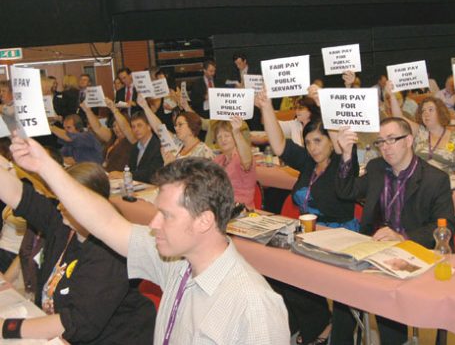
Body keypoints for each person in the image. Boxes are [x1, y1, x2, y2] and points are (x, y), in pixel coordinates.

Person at [9, 139, 290, 344]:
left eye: (166, 216)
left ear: (204, 221)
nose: (154, 224)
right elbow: (106, 222)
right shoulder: (175, 262)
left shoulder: (253, 305)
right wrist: (44, 167)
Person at [0, 158, 155, 343]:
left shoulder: (108, 253)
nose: (59, 206)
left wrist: (7, 327)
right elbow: (19, 195)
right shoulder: (63, 224)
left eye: (65, 201)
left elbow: (76, 323)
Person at [335, 118, 455, 343]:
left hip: (413, 253)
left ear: (409, 140)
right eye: (380, 142)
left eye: (392, 140)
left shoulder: (434, 179)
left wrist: (403, 237)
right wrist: (347, 154)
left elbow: (445, 225)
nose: (385, 147)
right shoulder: (376, 168)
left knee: (387, 299)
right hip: (375, 251)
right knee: (341, 288)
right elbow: (346, 191)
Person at [257, 90, 358, 345]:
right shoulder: (308, 163)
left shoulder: (343, 163)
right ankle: (317, 322)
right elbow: (279, 145)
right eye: (309, 142)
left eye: (318, 141)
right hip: (309, 237)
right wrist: (266, 107)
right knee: (275, 272)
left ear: (331, 142)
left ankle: (323, 325)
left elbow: (340, 144)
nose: (312, 148)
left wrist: (325, 106)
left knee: (295, 274)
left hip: (339, 238)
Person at [387, 82, 455, 174]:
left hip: (446, 183)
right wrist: (391, 95)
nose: (426, 113)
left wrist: (448, 183)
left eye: (430, 110)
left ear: (440, 112)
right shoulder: (419, 131)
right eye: (423, 111)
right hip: (418, 183)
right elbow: (399, 119)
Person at [136, 94, 213, 163]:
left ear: (191, 126)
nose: (176, 128)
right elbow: (159, 128)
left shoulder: (204, 151)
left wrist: (173, 164)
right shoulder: (178, 143)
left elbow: (202, 178)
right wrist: (145, 107)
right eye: (175, 125)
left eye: (180, 125)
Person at [79, 101, 135, 172]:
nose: (116, 128)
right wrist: (87, 110)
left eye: (119, 125)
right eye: (114, 126)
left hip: (121, 177)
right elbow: (98, 128)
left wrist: (114, 109)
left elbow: (125, 128)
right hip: (107, 173)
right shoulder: (112, 136)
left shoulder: (132, 139)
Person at [109, 111, 163, 183]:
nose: (136, 129)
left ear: (149, 126)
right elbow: (132, 170)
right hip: (136, 186)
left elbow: (152, 173)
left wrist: (125, 174)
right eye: (133, 127)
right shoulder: (135, 147)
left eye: (139, 125)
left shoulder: (158, 146)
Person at [213, 118, 257, 208]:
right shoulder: (217, 160)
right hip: (221, 208)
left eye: (227, 135)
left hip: (242, 210)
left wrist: (236, 131)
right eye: (219, 137)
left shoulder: (242, 157)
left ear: (235, 137)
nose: (223, 139)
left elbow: (247, 162)